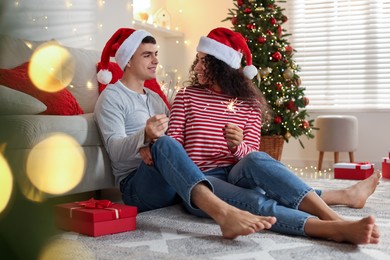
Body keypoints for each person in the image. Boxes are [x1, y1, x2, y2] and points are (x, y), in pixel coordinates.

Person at [167, 27, 381, 244]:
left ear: (223, 66)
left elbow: (250, 154)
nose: (198, 67)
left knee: (257, 158)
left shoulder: (249, 104)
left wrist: (237, 146)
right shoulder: (186, 96)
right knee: (256, 200)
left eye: (206, 61)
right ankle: (330, 228)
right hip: (203, 178)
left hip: (237, 173)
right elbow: (173, 146)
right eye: (198, 60)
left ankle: (334, 218)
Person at [93, 27, 277, 239]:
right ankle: (223, 213)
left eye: (156, 54)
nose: (155, 61)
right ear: (128, 61)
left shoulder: (155, 98)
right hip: (137, 186)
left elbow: (173, 143)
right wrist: (144, 138)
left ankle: (294, 204)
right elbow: (116, 153)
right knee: (166, 145)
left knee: (250, 194)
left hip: (173, 181)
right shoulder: (111, 98)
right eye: (147, 55)